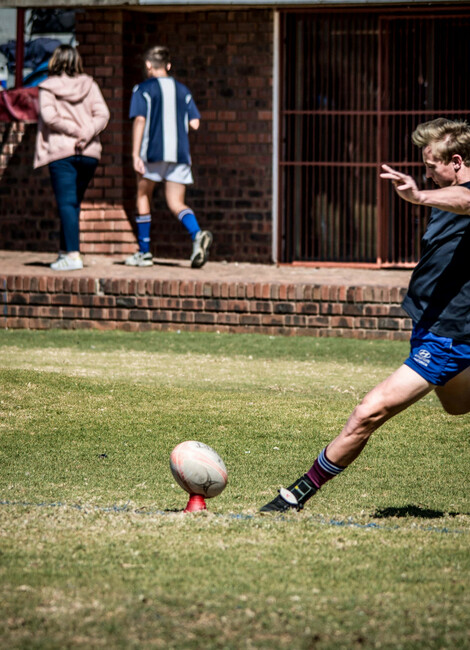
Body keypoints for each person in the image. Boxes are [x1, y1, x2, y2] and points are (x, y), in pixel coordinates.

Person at [260, 117, 470, 513]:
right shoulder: (445, 192)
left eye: (431, 166)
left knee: (367, 413)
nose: (425, 174)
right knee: (456, 406)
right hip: (430, 327)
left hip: (448, 336)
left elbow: (468, 201)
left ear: (456, 161)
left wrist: (419, 196)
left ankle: (295, 496)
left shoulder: (455, 196)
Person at [124, 45, 212, 269]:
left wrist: (135, 154)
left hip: (152, 153)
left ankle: (144, 253)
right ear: (169, 66)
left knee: (143, 195)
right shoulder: (183, 90)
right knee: (176, 202)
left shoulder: (143, 89)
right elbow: (195, 123)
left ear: (148, 65)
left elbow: (140, 120)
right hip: (180, 154)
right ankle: (196, 233)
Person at [34, 44, 110, 271]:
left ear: (55, 61)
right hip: (89, 153)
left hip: (62, 152)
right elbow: (103, 114)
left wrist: (75, 132)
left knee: (66, 203)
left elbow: (49, 116)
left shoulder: (47, 87)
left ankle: (73, 255)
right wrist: (86, 133)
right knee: (73, 203)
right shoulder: (90, 84)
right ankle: (64, 252)